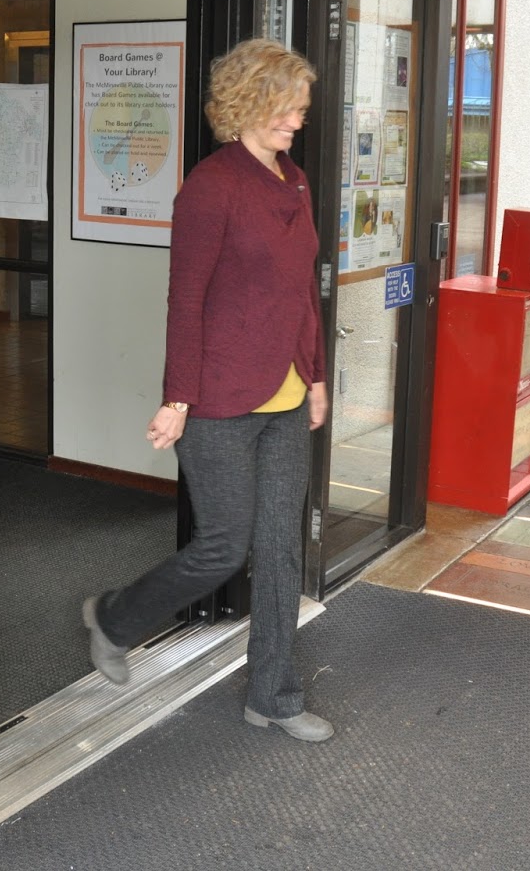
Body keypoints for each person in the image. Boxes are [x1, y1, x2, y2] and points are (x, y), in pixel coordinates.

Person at [82, 38, 333, 743]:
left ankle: (274, 697)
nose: (296, 122)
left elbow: (301, 291)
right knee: (225, 546)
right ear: (250, 102)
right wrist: (178, 397)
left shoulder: (295, 181)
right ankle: (114, 618)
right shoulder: (211, 186)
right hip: (220, 400)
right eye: (289, 108)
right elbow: (184, 300)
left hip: (283, 397)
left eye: (301, 111)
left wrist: (313, 377)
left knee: (282, 551)